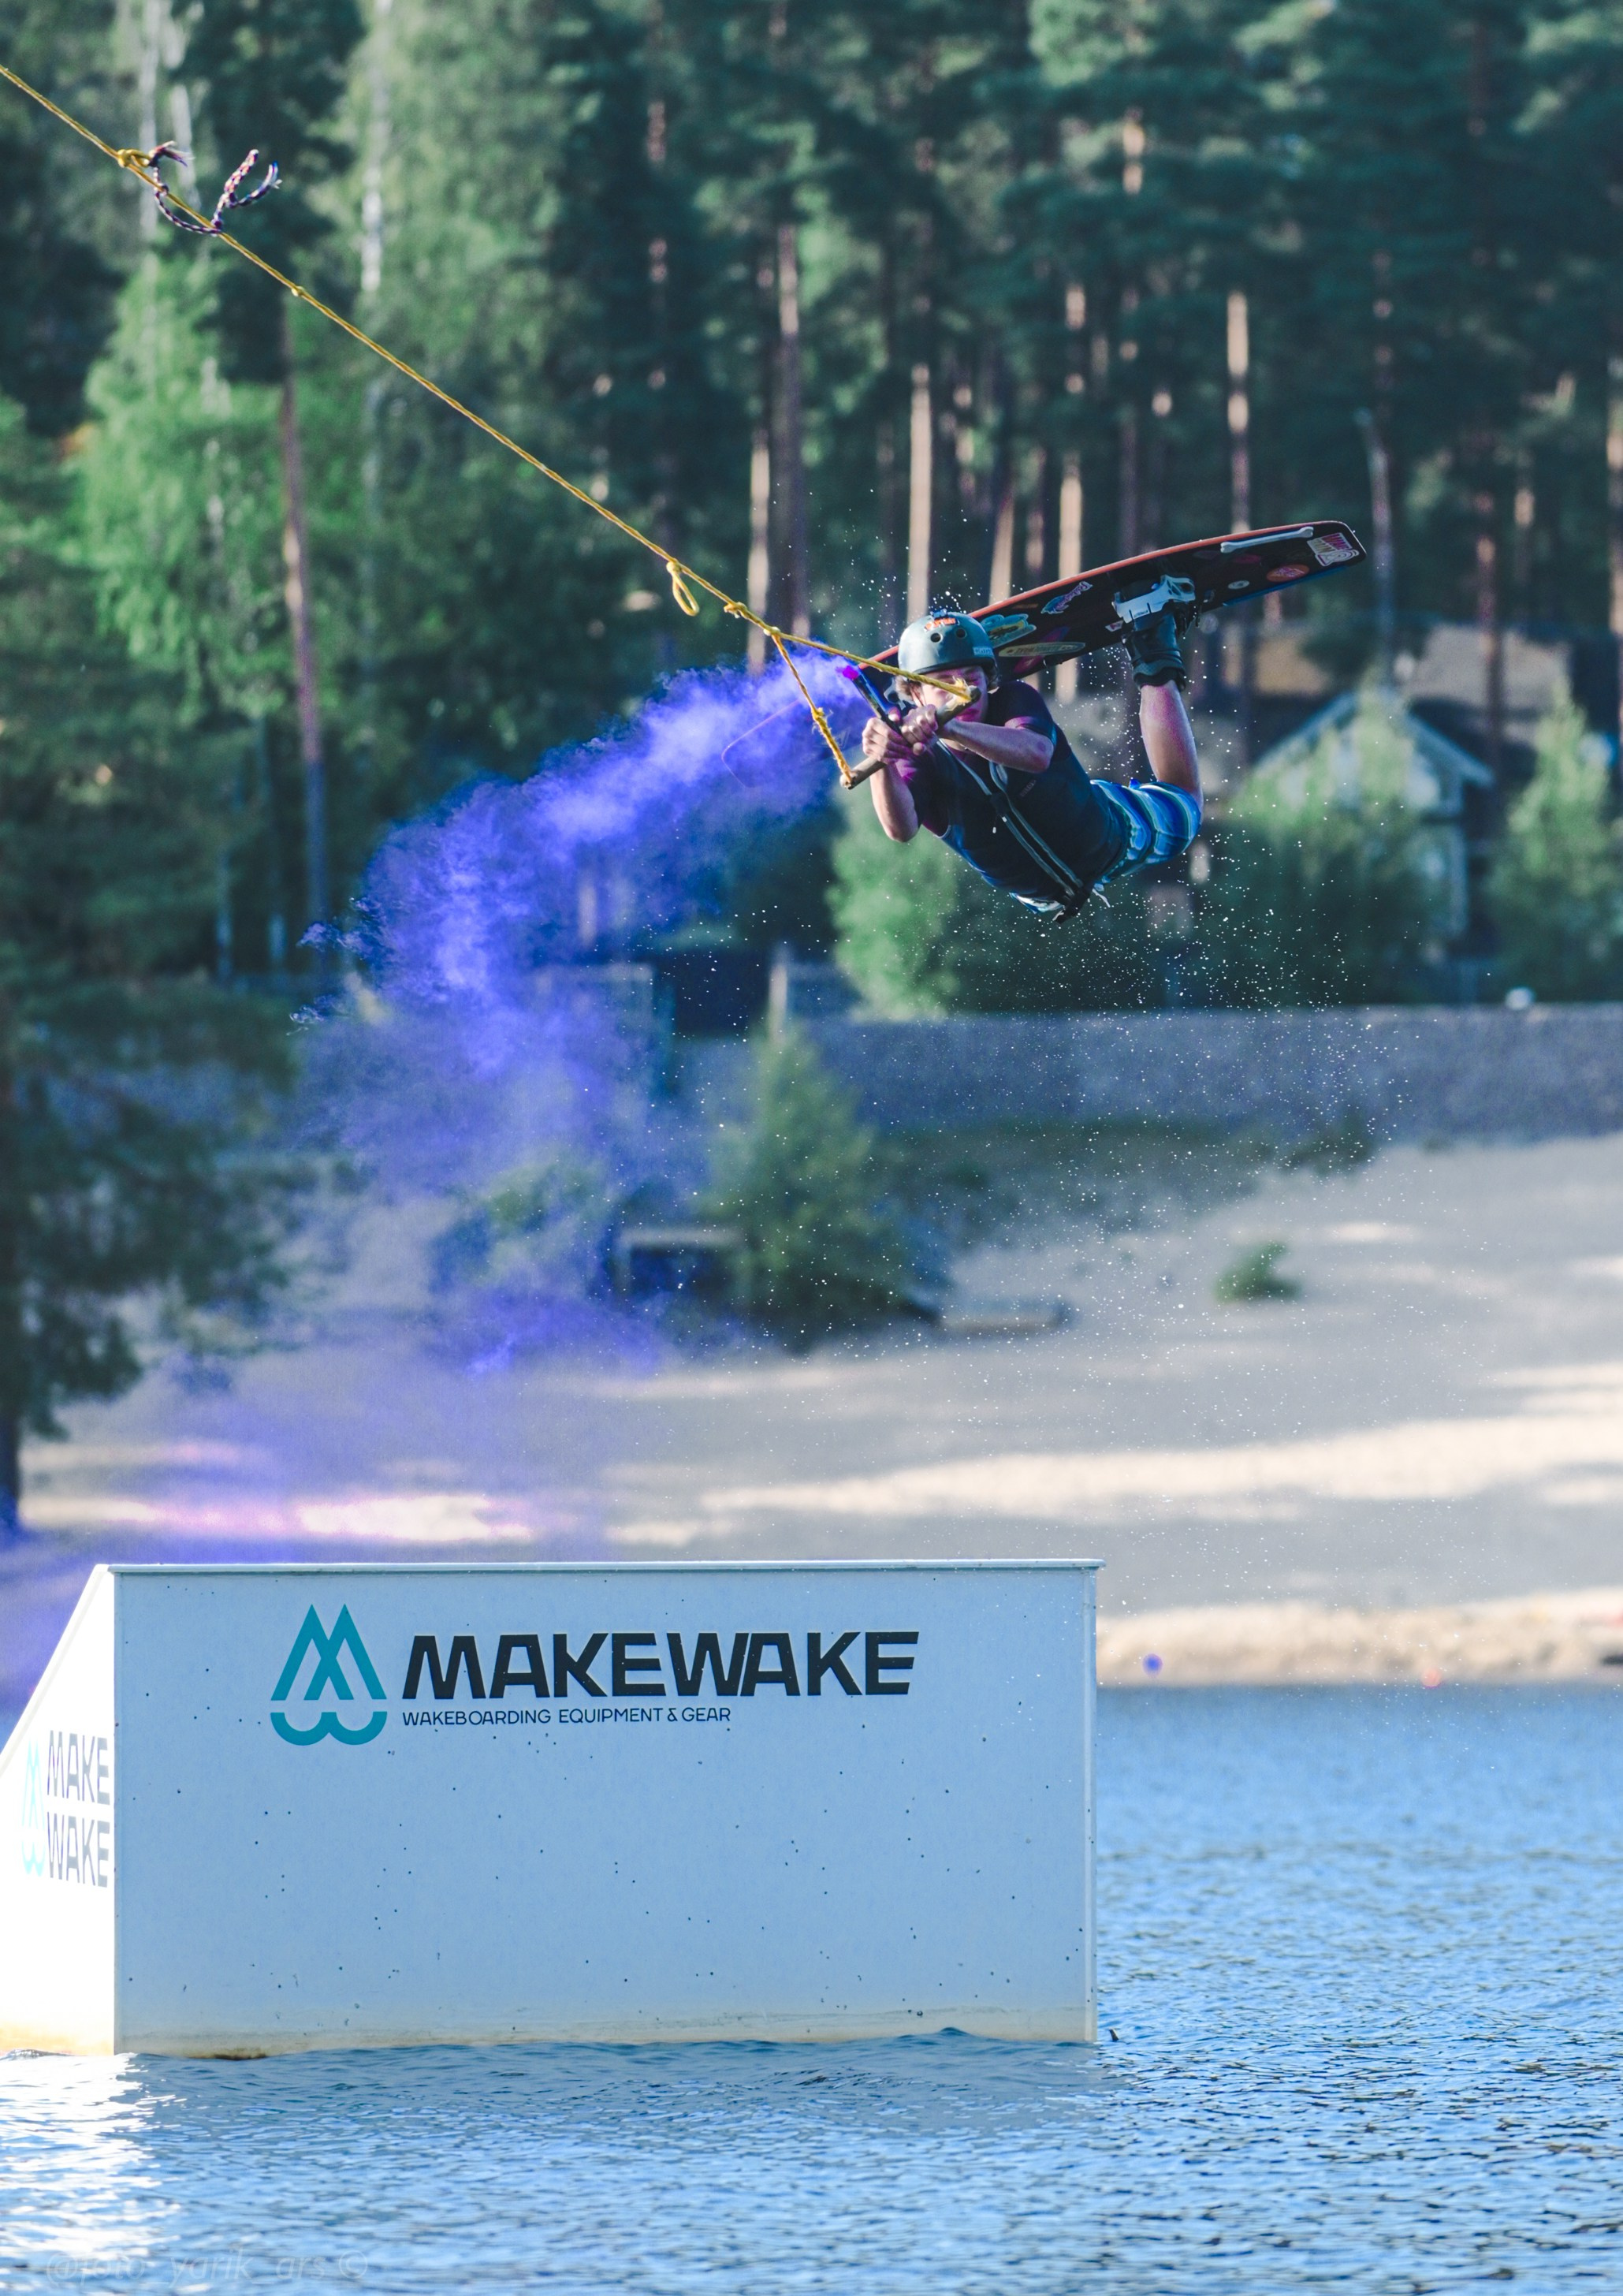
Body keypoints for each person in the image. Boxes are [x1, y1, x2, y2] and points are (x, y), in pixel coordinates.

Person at [857, 596, 1202, 919]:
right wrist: (882, 763)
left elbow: (1036, 754)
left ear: (988, 677)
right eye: (943, 683)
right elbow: (900, 829)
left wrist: (951, 729)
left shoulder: (1013, 700)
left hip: (1114, 835)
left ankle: (1152, 644)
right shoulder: (917, 756)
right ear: (916, 695)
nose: (961, 688)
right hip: (1040, 897)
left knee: (1187, 804)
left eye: (971, 676)